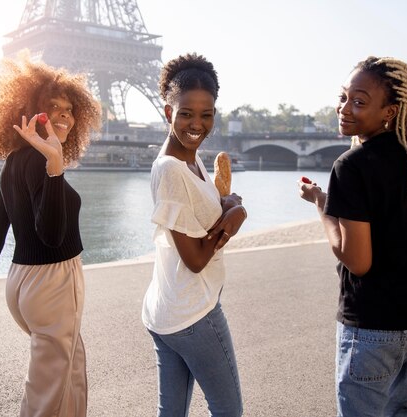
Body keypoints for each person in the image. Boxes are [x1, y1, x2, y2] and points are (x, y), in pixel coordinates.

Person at [298, 56, 407, 416]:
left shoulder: (351, 166)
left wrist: (320, 205)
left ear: (390, 111)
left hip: (374, 327)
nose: (344, 109)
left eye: (359, 101)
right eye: (343, 97)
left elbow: (357, 261)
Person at [0, 53, 101, 417]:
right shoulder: (43, 162)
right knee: (49, 391)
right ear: (27, 111)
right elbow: (53, 236)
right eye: (52, 107)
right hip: (53, 283)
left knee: (69, 370)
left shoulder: (14, 160)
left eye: (70, 109)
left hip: (21, 282)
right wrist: (56, 165)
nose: (64, 115)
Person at [142, 53, 247, 417]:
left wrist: (224, 200)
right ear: (169, 112)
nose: (196, 123)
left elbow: (192, 211)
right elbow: (196, 259)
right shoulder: (172, 168)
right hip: (193, 312)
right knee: (228, 410)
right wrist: (234, 218)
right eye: (186, 113)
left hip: (166, 308)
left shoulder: (191, 157)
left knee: (171, 412)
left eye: (206, 114)